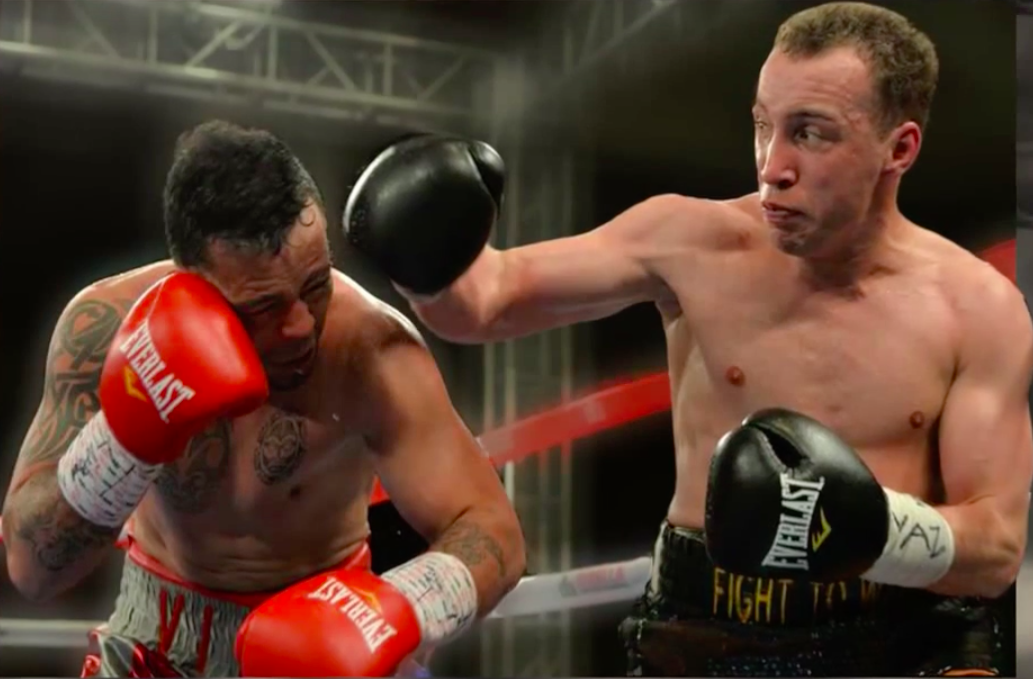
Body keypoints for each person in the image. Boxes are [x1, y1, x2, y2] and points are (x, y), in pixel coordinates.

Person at [341, 2, 1031, 676]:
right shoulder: (692, 242)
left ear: (898, 148)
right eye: (763, 125)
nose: (772, 164)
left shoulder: (975, 308)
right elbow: (485, 303)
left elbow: (997, 549)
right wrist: (426, 252)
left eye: (810, 133)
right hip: (704, 628)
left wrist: (874, 529)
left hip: (900, 635)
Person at [0, 120, 526, 677]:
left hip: (318, 646)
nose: (300, 326)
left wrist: (393, 611)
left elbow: (492, 530)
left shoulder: (370, 351)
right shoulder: (105, 327)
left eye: (315, 285)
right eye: (264, 307)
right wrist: (122, 441)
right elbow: (33, 569)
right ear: (193, 281)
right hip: (151, 643)